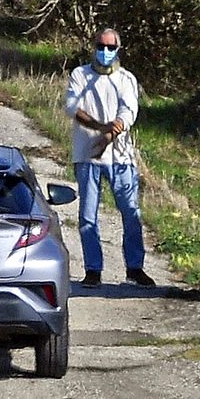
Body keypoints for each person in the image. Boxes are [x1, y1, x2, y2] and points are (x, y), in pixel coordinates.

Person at [62, 27, 153, 287]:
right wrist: (100, 129)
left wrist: (109, 136)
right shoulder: (80, 75)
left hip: (120, 158)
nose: (105, 51)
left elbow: (128, 112)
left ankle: (134, 267)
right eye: (101, 46)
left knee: (131, 213)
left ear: (118, 49)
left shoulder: (126, 79)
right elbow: (72, 107)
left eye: (111, 47)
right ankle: (93, 269)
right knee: (87, 216)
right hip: (87, 155)